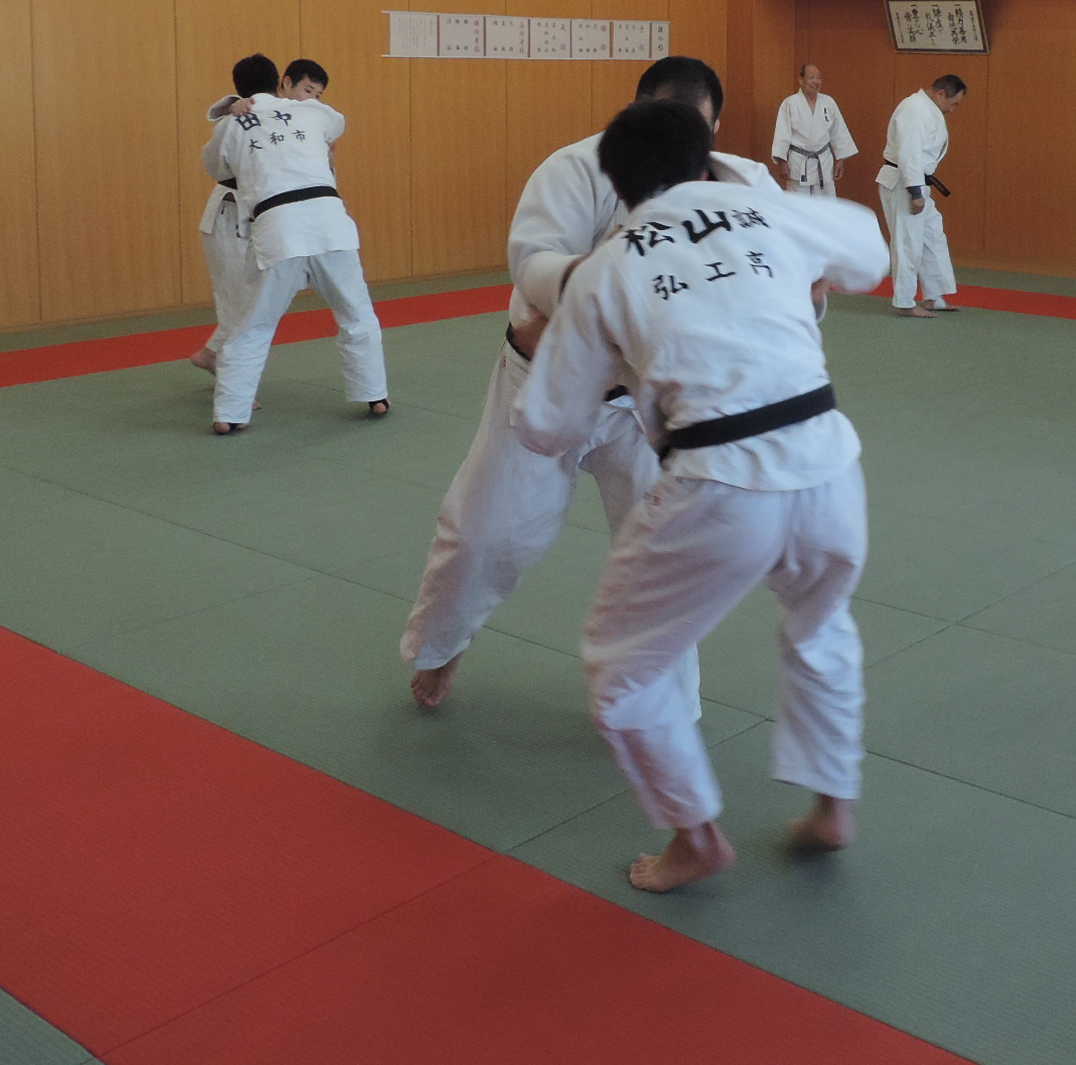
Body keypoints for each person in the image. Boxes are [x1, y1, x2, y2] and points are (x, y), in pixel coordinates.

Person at [514, 99, 888, 892]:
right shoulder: (764, 208)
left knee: (621, 665)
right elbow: (868, 250)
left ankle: (695, 836)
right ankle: (833, 807)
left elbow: (548, 427)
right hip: (828, 463)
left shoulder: (605, 266)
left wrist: (543, 343)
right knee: (820, 627)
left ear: (618, 188)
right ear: (706, 159)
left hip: (719, 482)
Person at [400, 57, 779, 709]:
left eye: (695, 129)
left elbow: (777, 280)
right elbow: (535, 275)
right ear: (633, 114)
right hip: (549, 382)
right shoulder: (576, 169)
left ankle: (654, 700)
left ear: (714, 130)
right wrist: (613, 284)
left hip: (653, 406)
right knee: (485, 537)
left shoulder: (741, 185)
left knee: (667, 553)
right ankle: (442, 646)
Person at [205, 56, 389, 434]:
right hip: (330, 225)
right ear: (280, 81)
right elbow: (338, 123)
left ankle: (230, 414)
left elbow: (216, 168)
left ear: (238, 89)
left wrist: (231, 112)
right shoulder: (313, 112)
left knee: (252, 325)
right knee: (356, 313)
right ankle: (375, 395)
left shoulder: (233, 123)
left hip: (278, 230)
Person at [189, 52, 281, 375]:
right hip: (229, 216)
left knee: (257, 298)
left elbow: (211, 164)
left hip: (266, 217)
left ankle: (212, 354)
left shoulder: (285, 118)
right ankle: (235, 381)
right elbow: (214, 167)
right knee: (237, 303)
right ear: (279, 83)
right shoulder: (235, 121)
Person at [876, 74, 965, 319]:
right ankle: (905, 302)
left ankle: (934, 296)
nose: (952, 109)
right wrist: (915, 192)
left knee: (933, 237)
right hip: (903, 184)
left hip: (917, 182)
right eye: (953, 103)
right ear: (940, 93)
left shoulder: (926, 109)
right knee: (908, 242)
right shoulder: (915, 109)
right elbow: (909, 153)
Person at [771, 63, 857, 197]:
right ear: (801, 80)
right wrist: (782, 162)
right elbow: (782, 134)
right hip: (799, 162)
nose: (816, 81)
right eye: (812, 78)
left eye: (819, 78)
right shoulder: (790, 103)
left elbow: (838, 131)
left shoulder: (828, 102)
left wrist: (840, 159)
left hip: (823, 161)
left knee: (826, 205)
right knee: (798, 204)